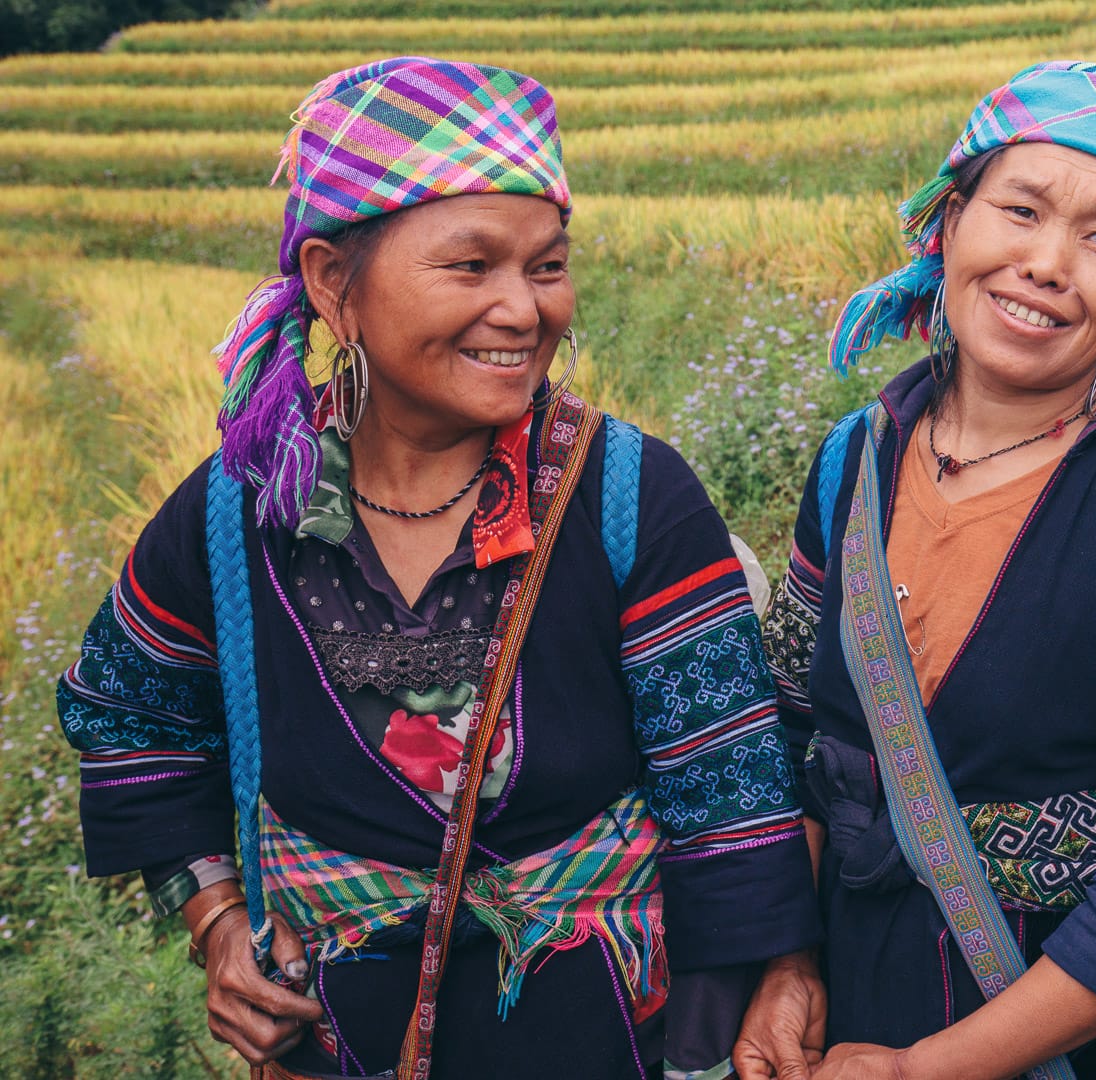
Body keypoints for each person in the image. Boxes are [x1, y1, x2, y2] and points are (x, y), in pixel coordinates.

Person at [56, 56, 817, 1079]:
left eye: (546, 266)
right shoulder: (240, 508)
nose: (523, 309)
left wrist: (746, 1012)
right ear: (335, 283)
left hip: (605, 1041)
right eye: (472, 267)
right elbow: (127, 717)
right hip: (333, 1047)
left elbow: (729, 794)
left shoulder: (628, 495)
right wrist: (217, 920)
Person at [733, 61, 1096, 1080]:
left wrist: (924, 1071)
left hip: (1077, 1047)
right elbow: (796, 740)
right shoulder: (855, 461)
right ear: (948, 223)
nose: (1047, 262)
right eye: (1019, 210)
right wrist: (788, 966)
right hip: (853, 1011)